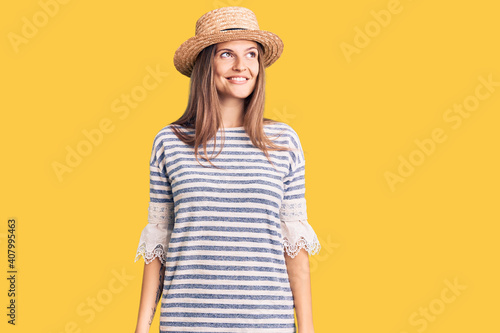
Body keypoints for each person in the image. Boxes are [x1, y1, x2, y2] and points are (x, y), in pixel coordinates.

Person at [134, 6, 321, 333]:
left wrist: (306, 330)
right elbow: (157, 247)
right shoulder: (170, 142)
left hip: (267, 324)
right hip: (186, 323)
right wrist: (140, 328)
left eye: (251, 54)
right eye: (226, 54)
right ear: (207, 64)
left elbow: (296, 252)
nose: (242, 66)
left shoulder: (283, 141)